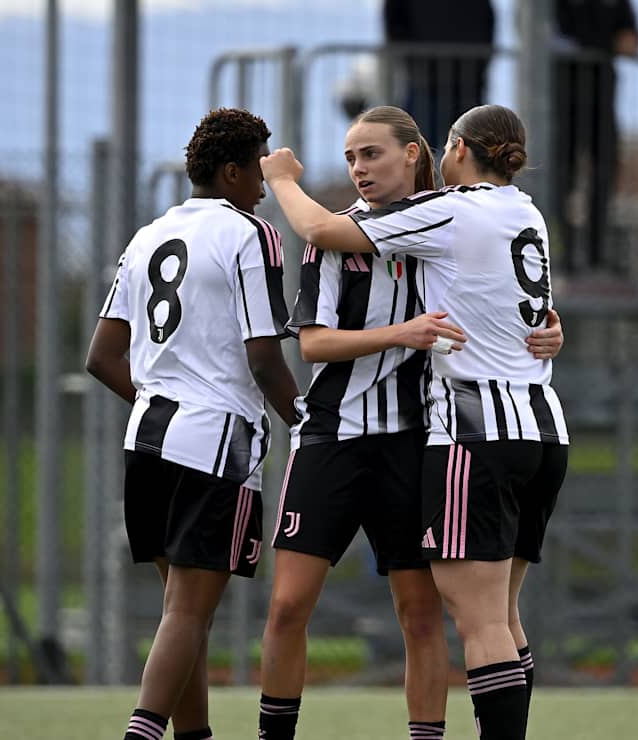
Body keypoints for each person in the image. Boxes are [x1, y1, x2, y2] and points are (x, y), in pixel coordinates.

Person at [262, 104, 569, 740]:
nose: (358, 167)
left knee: (453, 616)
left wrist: (281, 178)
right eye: (350, 157)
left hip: (439, 436)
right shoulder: (520, 210)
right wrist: (545, 330)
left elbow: (318, 224)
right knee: (293, 605)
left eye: (370, 153)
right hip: (353, 433)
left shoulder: (442, 213)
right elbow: (313, 341)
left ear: (429, 151)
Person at [85, 107, 299, 740]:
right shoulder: (252, 234)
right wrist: (310, 426)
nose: (264, 188)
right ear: (232, 172)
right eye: (258, 171)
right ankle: (141, 732)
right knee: (188, 612)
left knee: (183, 615)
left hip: (147, 440)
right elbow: (264, 359)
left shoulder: (147, 236)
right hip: (217, 444)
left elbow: (101, 358)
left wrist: (164, 401)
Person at [551, 0, 638, 273]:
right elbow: (546, 35)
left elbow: (631, 43)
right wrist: (603, 44)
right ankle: (562, 253)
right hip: (566, 101)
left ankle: (595, 254)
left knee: (604, 175)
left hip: (602, 99)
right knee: (562, 178)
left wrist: (586, 45)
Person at [384, 0, 495, 150]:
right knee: (418, 147)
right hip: (433, 80)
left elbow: (486, 21)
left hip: (460, 80)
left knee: (420, 148)